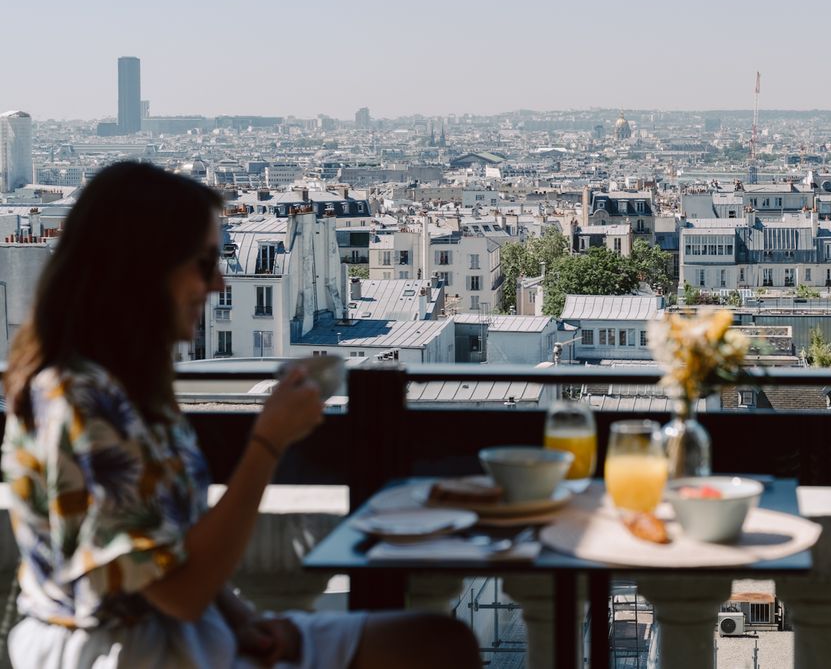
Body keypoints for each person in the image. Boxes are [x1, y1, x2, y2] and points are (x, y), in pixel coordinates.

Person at [2, 162, 480, 668]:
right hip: (127, 647)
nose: (219, 284)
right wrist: (268, 442)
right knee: (434, 647)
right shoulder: (79, 397)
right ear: (143, 269)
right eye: (206, 264)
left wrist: (241, 620)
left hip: (174, 629)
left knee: (438, 642)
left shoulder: (123, 383)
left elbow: (168, 551)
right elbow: (177, 590)